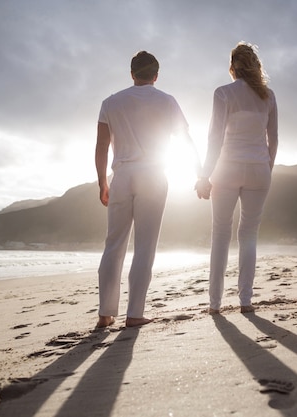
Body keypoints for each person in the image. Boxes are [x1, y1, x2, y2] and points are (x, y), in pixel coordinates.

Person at [95, 51, 200, 328]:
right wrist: (198, 172)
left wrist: (102, 182)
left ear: (132, 74)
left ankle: (105, 314)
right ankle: (134, 314)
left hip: (122, 175)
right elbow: (186, 141)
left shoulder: (111, 102)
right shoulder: (167, 101)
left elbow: (101, 146)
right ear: (156, 75)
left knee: (113, 244)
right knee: (144, 247)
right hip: (154, 175)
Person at [196, 42, 278, 314]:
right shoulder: (269, 96)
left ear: (232, 68)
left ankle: (215, 304)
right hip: (259, 169)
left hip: (227, 168)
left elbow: (215, 138)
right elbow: (273, 139)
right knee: (249, 235)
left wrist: (204, 175)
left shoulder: (223, 93)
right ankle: (245, 301)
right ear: (255, 66)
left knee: (220, 234)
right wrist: (267, 167)